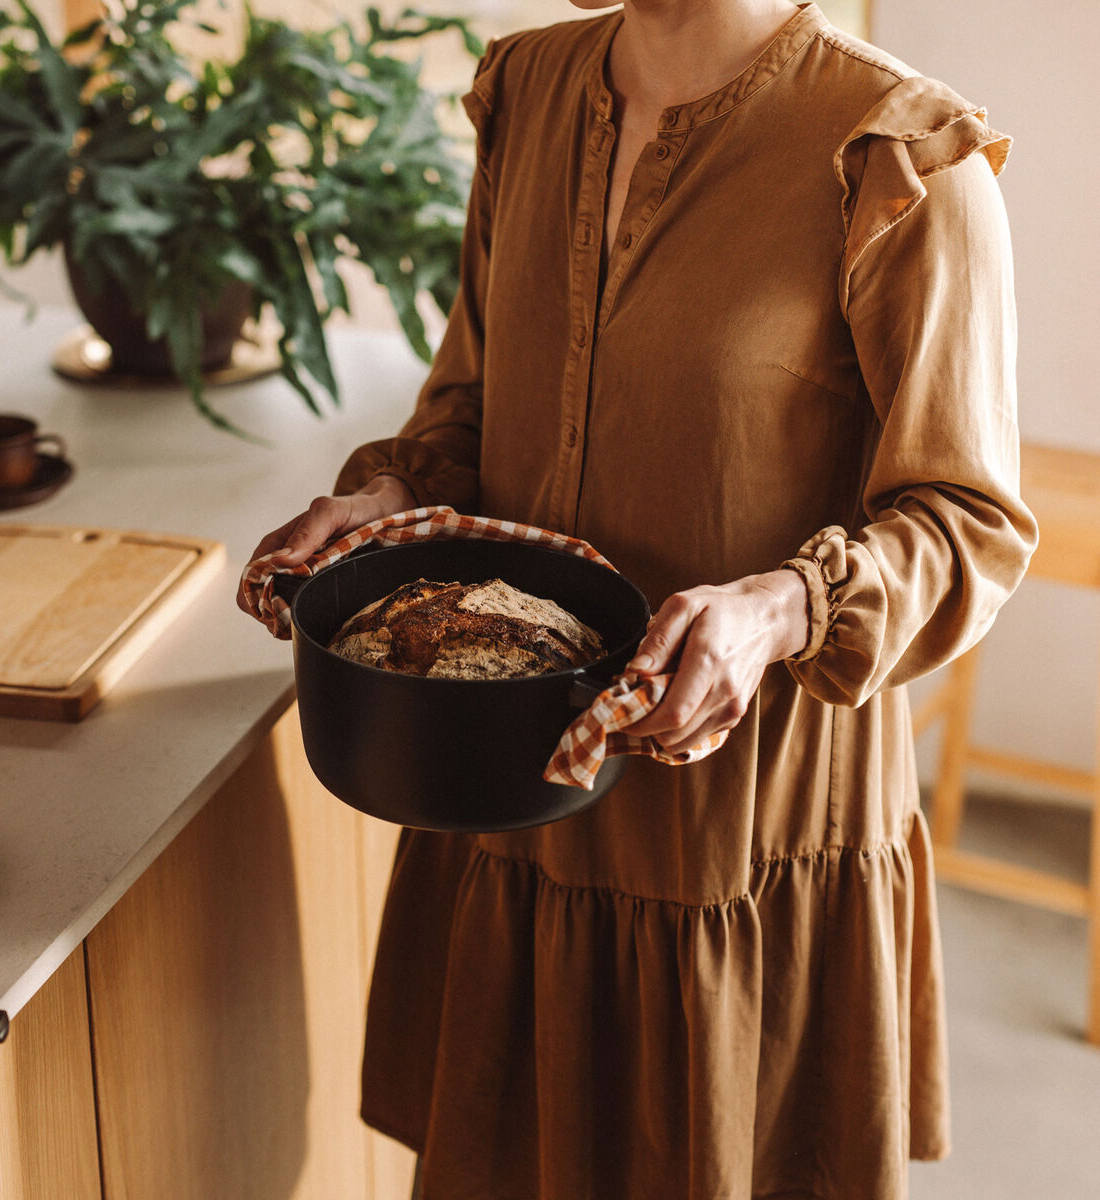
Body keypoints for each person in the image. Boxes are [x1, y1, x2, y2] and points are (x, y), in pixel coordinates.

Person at [240, 1, 1037, 1196]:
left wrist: (779, 607)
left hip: (734, 833)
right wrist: (397, 492)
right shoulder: (529, 90)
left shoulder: (896, 157)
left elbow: (968, 522)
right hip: (509, 797)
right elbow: (475, 396)